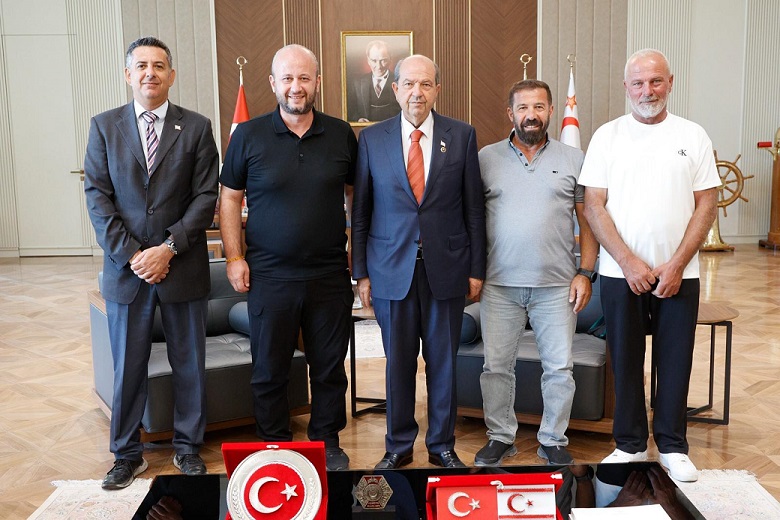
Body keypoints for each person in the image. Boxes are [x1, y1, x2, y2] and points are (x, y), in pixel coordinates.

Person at [84, 36, 219, 489]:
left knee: (189, 364)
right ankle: (126, 455)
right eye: (141, 66)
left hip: (181, 266)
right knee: (127, 367)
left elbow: (206, 196)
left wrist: (168, 248)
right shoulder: (104, 127)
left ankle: (188, 448)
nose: (150, 73)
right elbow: (98, 198)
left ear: (171, 75)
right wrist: (134, 255)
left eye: (159, 66)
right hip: (127, 272)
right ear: (128, 75)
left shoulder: (196, 127)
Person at [579, 48, 720, 482]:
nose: (647, 90)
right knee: (625, 360)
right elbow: (593, 205)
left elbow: (707, 205)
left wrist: (676, 265)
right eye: (638, 83)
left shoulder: (693, 135)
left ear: (670, 83)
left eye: (656, 81)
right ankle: (630, 445)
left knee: (675, 360)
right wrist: (627, 261)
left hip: (680, 274)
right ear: (626, 87)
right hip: (620, 274)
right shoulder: (607, 136)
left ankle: (673, 446)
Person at [219, 44, 356, 471]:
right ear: (273, 84)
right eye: (288, 78)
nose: (296, 87)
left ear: (318, 82)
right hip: (269, 275)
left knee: (329, 367)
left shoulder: (341, 134)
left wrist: (356, 248)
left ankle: (326, 441)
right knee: (269, 369)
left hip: (329, 274)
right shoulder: (248, 135)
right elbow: (229, 199)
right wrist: (234, 256)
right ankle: (274, 445)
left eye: (304, 78)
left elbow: (355, 197)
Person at [351, 54, 486, 469]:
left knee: (443, 363)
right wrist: (360, 272)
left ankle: (442, 445)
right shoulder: (371, 139)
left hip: (447, 268)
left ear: (437, 90)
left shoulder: (461, 135)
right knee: (399, 363)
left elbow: (474, 209)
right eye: (409, 84)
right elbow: (361, 211)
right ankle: (398, 446)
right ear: (395, 89)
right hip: (390, 270)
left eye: (426, 84)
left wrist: (476, 269)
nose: (417, 92)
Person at [475, 79, 598, 467]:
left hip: (557, 286)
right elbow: (471, 220)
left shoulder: (575, 158)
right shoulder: (485, 159)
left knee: (559, 369)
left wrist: (585, 272)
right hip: (499, 285)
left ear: (550, 111)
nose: (532, 115)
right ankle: (500, 436)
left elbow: (588, 222)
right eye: (523, 108)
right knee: (496, 368)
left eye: (539, 107)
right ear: (510, 113)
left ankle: (553, 439)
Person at [348, 40, 402, 123]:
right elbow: (350, 110)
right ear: (368, 61)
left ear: (390, 59)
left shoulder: (400, 82)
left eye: (383, 60)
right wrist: (358, 119)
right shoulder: (357, 83)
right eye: (374, 61)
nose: (378, 66)